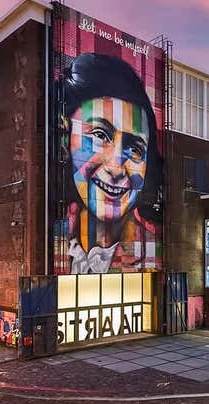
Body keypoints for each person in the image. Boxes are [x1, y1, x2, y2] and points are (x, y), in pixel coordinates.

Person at [57, 53, 162, 274]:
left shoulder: (152, 257)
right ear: (66, 138)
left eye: (135, 149)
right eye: (99, 135)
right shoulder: (52, 234)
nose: (115, 167)